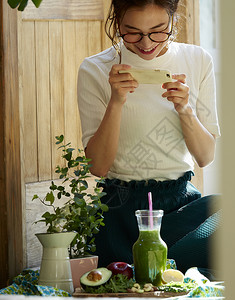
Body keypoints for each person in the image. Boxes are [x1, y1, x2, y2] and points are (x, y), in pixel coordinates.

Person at [77, 0, 221, 277]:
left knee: (234, 211)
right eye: (132, 32)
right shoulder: (94, 69)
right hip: (121, 211)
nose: (146, 44)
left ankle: (147, 269)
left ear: (173, 22)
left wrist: (185, 109)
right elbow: (98, 167)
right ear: (117, 23)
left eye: (158, 31)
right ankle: (164, 269)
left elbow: (205, 156)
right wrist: (116, 102)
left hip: (180, 206)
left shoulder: (197, 59)